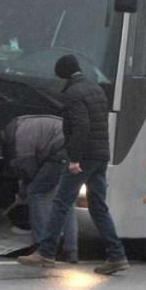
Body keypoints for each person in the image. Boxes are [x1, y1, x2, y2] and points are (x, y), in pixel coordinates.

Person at [18, 55, 130, 274]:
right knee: (98, 206)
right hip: (101, 154)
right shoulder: (95, 89)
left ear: (63, 75)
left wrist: (75, 158)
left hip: (85, 156)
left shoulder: (73, 94)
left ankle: (46, 252)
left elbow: (81, 126)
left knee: (61, 201)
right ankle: (117, 255)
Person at [0, 115, 78, 263]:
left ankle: (43, 248)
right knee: (65, 200)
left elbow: (29, 167)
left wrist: (25, 190)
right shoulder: (19, 126)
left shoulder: (21, 135)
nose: (1, 156)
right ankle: (70, 251)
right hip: (73, 147)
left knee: (36, 194)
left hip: (60, 150)